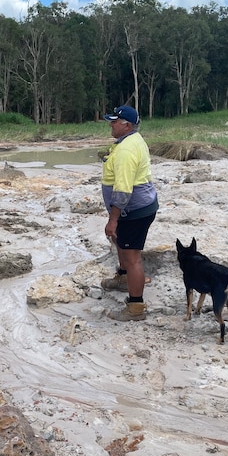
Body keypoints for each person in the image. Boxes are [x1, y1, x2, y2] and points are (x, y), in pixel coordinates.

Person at [100, 105, 159, 321]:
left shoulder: (126, 150)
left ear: (126, 125)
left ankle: (135, 307)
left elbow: (124, 191)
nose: (111, 124)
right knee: (121, 244)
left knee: (132, 257)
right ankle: (124, 279)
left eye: (114, 121)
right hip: (136, 208)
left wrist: (113, 219)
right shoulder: (131, 140)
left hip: (133, 211)